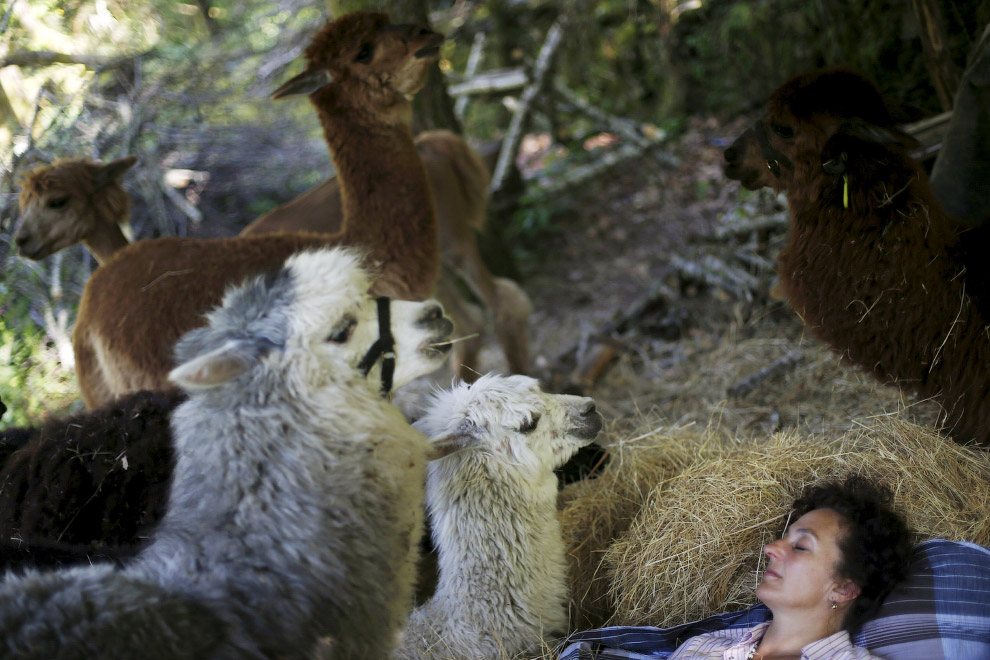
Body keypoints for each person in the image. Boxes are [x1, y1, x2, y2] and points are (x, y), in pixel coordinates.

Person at [668, 475, 912, 660]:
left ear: (844, 589)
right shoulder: (700, 649)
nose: (771, 548)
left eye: (801, 546)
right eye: (785, 537)